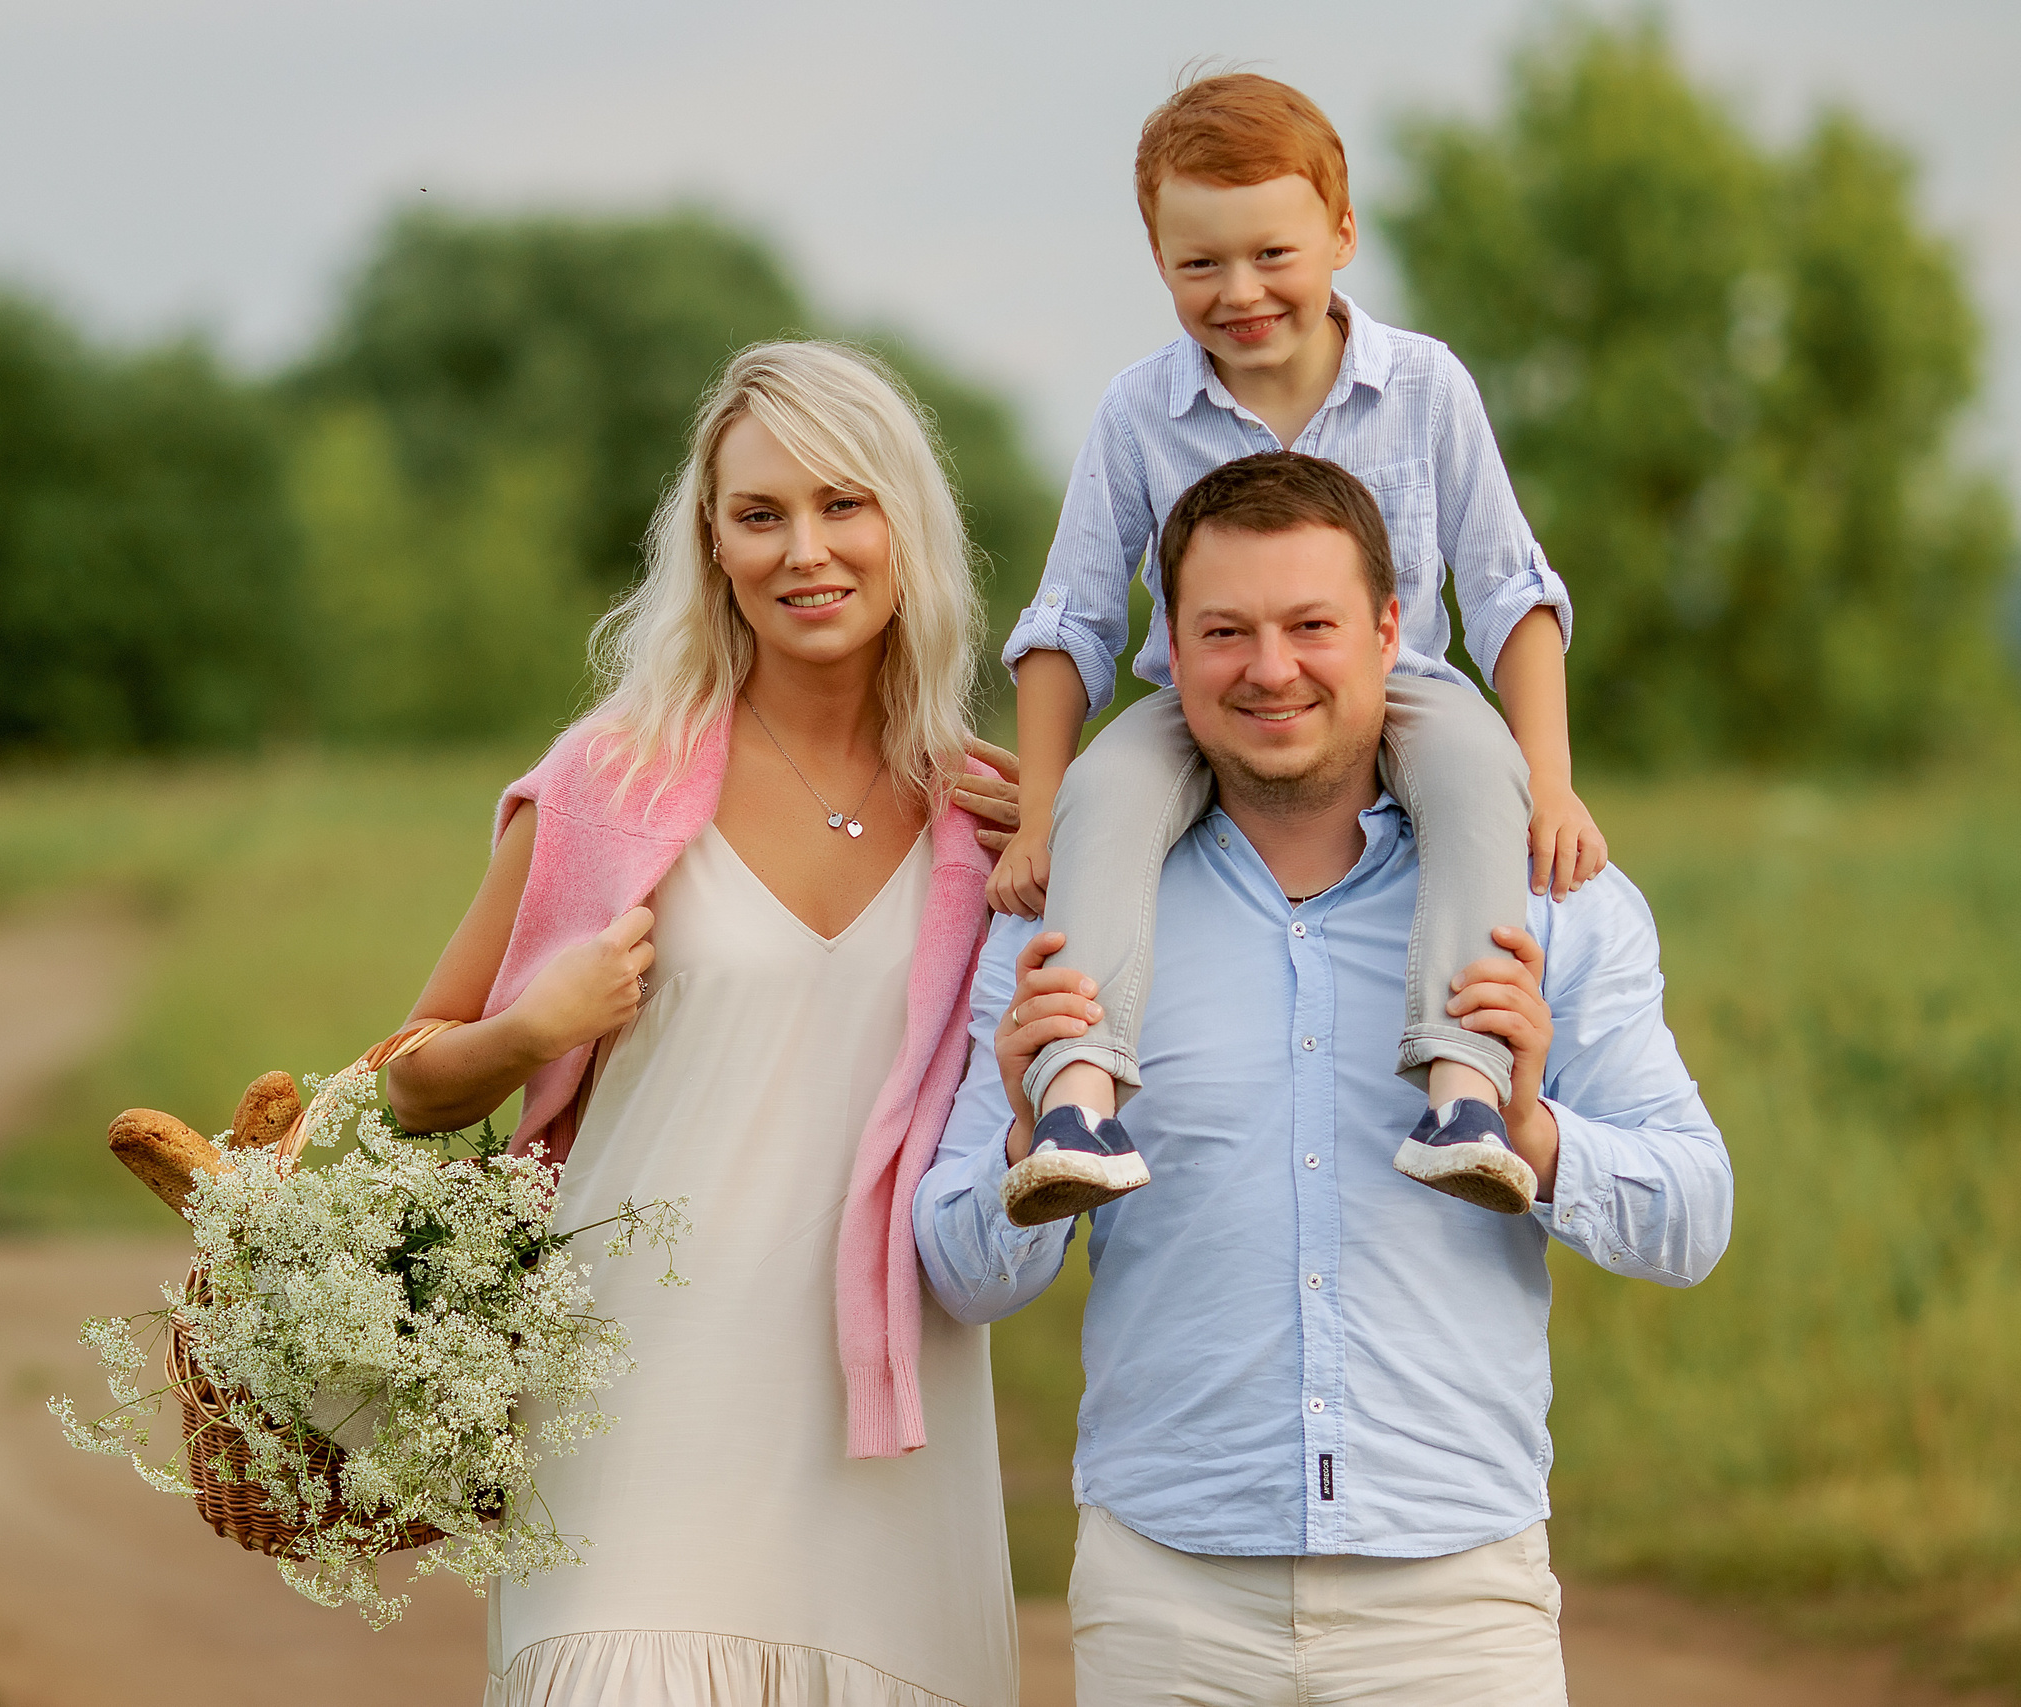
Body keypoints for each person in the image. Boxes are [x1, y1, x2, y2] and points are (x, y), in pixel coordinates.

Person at [917, 452, 1733, 1704]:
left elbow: (1694, 1216)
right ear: (1170, 650)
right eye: (1224, 631)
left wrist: (1535, 1132)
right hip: (1166, 1602)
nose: (1271, 667)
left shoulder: (1551, 908)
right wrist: (1032, 1131)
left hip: (1459, 1601)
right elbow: (962, 1275)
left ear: (1390, 631)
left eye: (1311, 626)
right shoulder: (1055, 928)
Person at [387, 340, 1027, 1706]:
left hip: (888, 1432)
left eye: (844, 503)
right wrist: (530, 1029)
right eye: (761, 513)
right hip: (633, 1408)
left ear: (905, 524)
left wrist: (1067, 858)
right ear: (711, 543)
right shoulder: (610, 783)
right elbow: (406, 1084)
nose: (807, 548)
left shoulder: (989, 821)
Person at [988, 73, 1611, 1229]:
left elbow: (1506, 591)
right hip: (1202, 707)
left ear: (1339, 233)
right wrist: (1036, 812)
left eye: (1272, 254)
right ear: (1158, 258)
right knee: (1105, 798)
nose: (1240, 293)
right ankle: (1077, 1097)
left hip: (1403, 690)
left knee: (1483, 781)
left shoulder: (1422, 386)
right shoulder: (1138, 413)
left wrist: (1555, 783)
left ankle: (1465, 1088)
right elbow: (1070, 622)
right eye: (1199, 266)